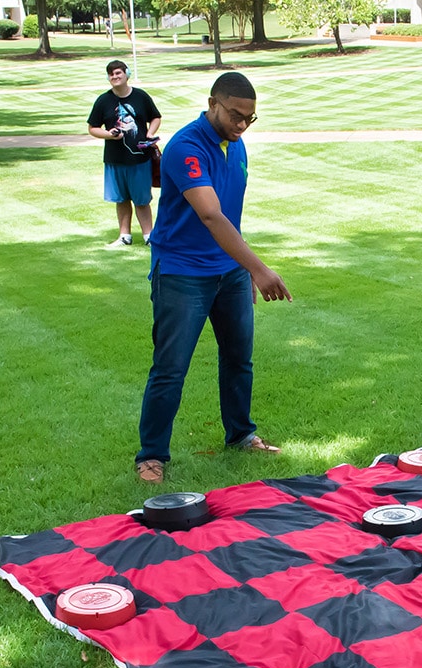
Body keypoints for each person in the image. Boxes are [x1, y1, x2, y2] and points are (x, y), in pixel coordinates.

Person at [133, 72, 291, 484]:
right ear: (212, 104)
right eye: (236, 115)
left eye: (250, 119)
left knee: (239, 358)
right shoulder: (187, 146)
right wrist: (259, 267)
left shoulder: (235, 146)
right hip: (182, 273)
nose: (242, 125)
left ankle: (241, 435)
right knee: (170, 367)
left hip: (229, 274)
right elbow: (209, 215)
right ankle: (151, 456)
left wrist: (240, 267)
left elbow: (231, 217)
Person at [87, 60, 161, 248]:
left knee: (142, 200)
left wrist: (150, 133)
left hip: (140, 158)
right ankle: (124, 235)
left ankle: (149, 236)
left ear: (127, 74)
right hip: (115, 159)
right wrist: (109, 135)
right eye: (111, 74)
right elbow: (92, 127)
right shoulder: (103, 101)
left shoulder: (140, 96)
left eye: (118, 73)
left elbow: (155, 116)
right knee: (120, 199)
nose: (115, 77)